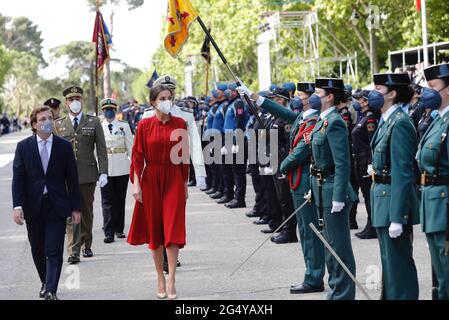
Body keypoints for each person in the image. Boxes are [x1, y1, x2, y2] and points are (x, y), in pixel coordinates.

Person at [238, 81, 325, 293]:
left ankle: (315, 277)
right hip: (297, 179)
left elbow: (301, 151)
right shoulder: (301, 117)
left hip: (305, 180)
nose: (298, 98)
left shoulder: (314, 119)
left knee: (311, 232)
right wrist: (253, 96)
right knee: (305, 231)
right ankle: (311, 275)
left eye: (302, 95)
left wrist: (282, 166)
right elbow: (278, 110)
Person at [12, 106, 81, 300]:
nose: (47, 122)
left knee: (53, 249)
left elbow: (72, 180)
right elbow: (18, 179)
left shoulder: (64, 146)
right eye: (42, 119)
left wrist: (76, 207)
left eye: (50, 118)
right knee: (37, 249)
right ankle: (45, 281)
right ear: (34, 124)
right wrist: (17, 206)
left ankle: (51, 290)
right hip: (33, 206)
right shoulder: (23, 147)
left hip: (56, 205)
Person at [127, 84, 189, 300]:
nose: (166, 100)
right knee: (155, 231)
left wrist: (184, 185)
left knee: (172, 229)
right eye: (162, 97)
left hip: (174, 178)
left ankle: (171, 278)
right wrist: (136, 185)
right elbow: (137, 158)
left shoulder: (180, 123)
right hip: (150, 179)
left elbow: (183, 158)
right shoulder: (144, 125)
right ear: (153, 101)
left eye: (169, 97)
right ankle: (159, 277)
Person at [368, 73, 420, 299]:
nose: (373, 94)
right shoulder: (387, 120)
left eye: (378, 89)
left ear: (392, 93)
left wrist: (398, 216)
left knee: (399, 266)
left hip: (392, 203)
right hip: (382, 198)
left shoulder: (399, 123)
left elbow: (402, 172)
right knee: (389, 263)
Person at [309, 78, 356, 300]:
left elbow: (342, 163)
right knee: (329, 246)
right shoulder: (322, 120)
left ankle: (344, 294)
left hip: (333, 191)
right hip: (321, 189)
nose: (313, 96)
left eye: (318, 92)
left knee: (339, 248)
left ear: (329, 97)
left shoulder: (335, 121)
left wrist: (339, 196)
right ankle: (335, 291)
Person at [54, 86, 108, 264]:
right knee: (71, 213)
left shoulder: (93, 122)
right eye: (71, 99)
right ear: (66, 102)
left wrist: (103, 172)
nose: (75, 101)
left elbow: (101, 149)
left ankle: (87, 243)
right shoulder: (58, 124)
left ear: (82, 100)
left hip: (87, 174)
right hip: (65, 176)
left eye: (78, 98)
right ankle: (73, 250)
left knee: (86, 211)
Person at [416, 63, 449, 300]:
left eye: (433, 87)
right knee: (440, 272)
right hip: (432, 203)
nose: (428, 92)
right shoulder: (437, 119)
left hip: (444, 204)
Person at [100, 98, 134, 243]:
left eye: (112, 109)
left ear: (116, 110)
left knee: (120, 200)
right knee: (107, 201)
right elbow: (96, 149)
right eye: (106, 109)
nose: (109, 112)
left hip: (121, 167)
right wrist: (98, 169)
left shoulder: (123, 126)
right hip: (105, 168)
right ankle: (108, 232)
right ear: (103, 111)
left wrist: (135, 166)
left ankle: (119, 229)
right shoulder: (98, 126)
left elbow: (130, 147)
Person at [351, 89, 379, 239]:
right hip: (359, 159)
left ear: (366, 101)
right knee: (365, 193)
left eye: (359, 99)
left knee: (368, 195)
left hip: (365, 159)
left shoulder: (370, 119)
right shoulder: (362, 117)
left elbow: (372, 142)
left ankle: (373, 225)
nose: (356, 102)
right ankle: (370, 224)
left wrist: (371, 163)